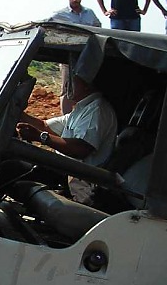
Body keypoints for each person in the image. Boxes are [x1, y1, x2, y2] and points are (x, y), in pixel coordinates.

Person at [9, 75, 118, 203]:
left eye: (72, 82)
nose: (66, 86)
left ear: (87, 84)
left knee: (10, 169)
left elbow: (81, 149)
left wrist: (40, 137)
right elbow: (44, 126)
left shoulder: (97, 110)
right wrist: (15, 112)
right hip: (64, 169)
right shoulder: (82, 108)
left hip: (76, 175)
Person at [49, 0, 102, 114]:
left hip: (86, 54)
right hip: (68, 54)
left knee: (86, 86)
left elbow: (98, 27)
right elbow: (48, 25)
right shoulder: (59, 14)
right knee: (67, 87)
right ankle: (65, 119)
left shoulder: (89, 13)